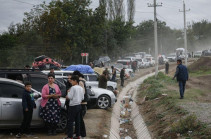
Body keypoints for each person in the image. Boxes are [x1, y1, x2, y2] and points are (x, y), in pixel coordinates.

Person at [72, 71, 87, 138]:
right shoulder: (81, 81)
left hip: (81, 103)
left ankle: (82, 133)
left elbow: (82, 92)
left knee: (80, 120)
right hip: (80, 103)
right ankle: (79, 133)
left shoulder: (80, 82)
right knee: (79, 120)